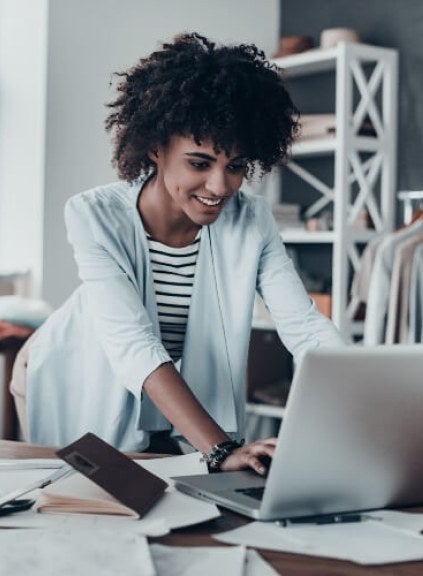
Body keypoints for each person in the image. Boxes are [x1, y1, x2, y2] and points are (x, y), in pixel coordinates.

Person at [10, 33, 343, 475]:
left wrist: (362, 401)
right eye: (200, 163)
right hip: (70, 369)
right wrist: (220, 450)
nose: (220, 187)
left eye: (236, 166)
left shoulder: (252, 220)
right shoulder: (94, 215)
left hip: (161, 379)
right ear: (156, 147)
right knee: (86, 502)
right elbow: (134, 345)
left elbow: (304, 327)